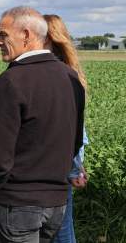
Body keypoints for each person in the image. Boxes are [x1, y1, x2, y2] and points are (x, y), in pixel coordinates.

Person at [0, 6, 85, 243]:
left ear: (26, 35)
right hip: (56, 204)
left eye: (3, 35)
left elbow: (1, 153)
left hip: (18, 203)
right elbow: (75, 141)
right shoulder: (70, 76)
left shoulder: (13, 79)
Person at [44, 14, 89, 243]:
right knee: (61, 226)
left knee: (61, 229)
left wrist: (74, 169)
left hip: (59, 162)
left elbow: (73, 130)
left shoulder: (58, 73)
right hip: (64, 160)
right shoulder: (70, 70)